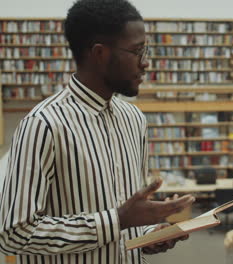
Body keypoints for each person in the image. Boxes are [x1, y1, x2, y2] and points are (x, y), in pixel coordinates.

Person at [0, 0, 195, 263]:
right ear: (100, 53)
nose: (146, 63)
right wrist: (117, 220)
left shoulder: (133, 119)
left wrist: (147, 235)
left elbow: (126, 219)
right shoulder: (43, 124)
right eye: (138, 51)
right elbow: (14, 233)